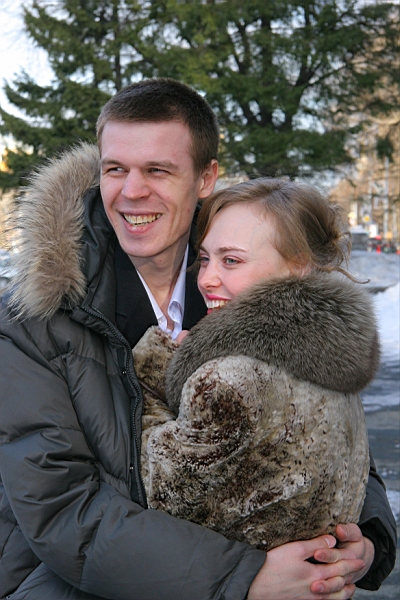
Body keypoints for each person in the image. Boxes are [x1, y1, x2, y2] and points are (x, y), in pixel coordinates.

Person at [0, 79, 396, 600]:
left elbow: (329, 422)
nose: (132, 191)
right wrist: (243, 578)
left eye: (157, 170)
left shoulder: (245, 275)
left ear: (205, 177)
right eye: (115, 169)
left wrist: (363, 537)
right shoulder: (35, 316)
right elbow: (61, 509)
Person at [132, 177, 378, 552]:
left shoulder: (229, 380)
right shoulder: (330, 360)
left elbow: (159, 491)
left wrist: (153, 370)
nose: (206, 278)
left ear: (297, 266)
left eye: (231, 260)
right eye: (204, 258)